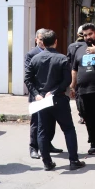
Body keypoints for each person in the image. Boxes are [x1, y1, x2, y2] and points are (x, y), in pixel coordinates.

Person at [26, 30, 86, 171]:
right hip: (58, 98)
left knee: (42, 131)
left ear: (43, 42)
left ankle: (47, 162)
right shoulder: (62, 59)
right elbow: (67, 80)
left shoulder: (35, 59)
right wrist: (54, 91)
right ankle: (73, 160)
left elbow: (28, 79)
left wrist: (36, 94)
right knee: (68, 129)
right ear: (56, 42)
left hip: (42, 100)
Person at [69, 23, 95, 155]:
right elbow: (74, 69)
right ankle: (93, 144)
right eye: (85, 35)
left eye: (90, 34)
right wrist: (72, 86)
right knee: (89, 119)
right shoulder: (79, 49)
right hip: (83, 90)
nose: (88, 37)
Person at [25, 29, 62, 159]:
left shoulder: (53, 53)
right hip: (37, 94)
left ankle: (47, 144)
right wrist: (36, 94)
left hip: (50, 94)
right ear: (36, 39)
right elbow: (29, 76)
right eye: (40, 39)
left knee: (51, 121)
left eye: (43, 39)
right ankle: (33, 147)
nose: (42, 42)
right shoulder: (31, 55)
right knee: (36, 122)